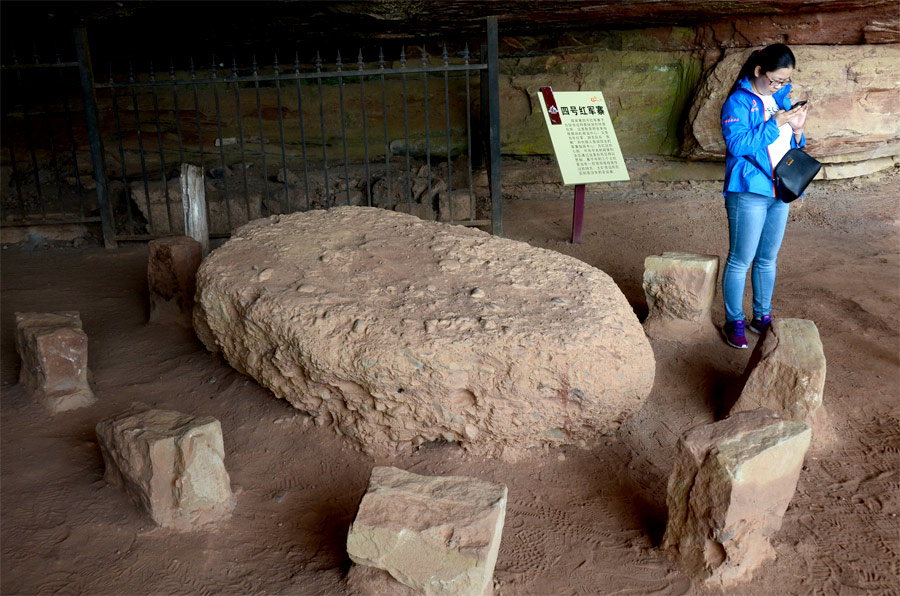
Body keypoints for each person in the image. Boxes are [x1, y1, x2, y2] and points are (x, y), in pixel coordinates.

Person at [719, 44, 809, 349]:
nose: (781, 86)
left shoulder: (780, 99)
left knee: (768, 258)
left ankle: (762, 316)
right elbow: (738, 145)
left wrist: (797, 130)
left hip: (779, 189)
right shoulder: (738, 102)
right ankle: (734, 321)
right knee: (741, 259)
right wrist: (776, 123)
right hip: (748, 189)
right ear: (759, 71)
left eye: (785, 81)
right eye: (776, 80)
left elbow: (792, 146)